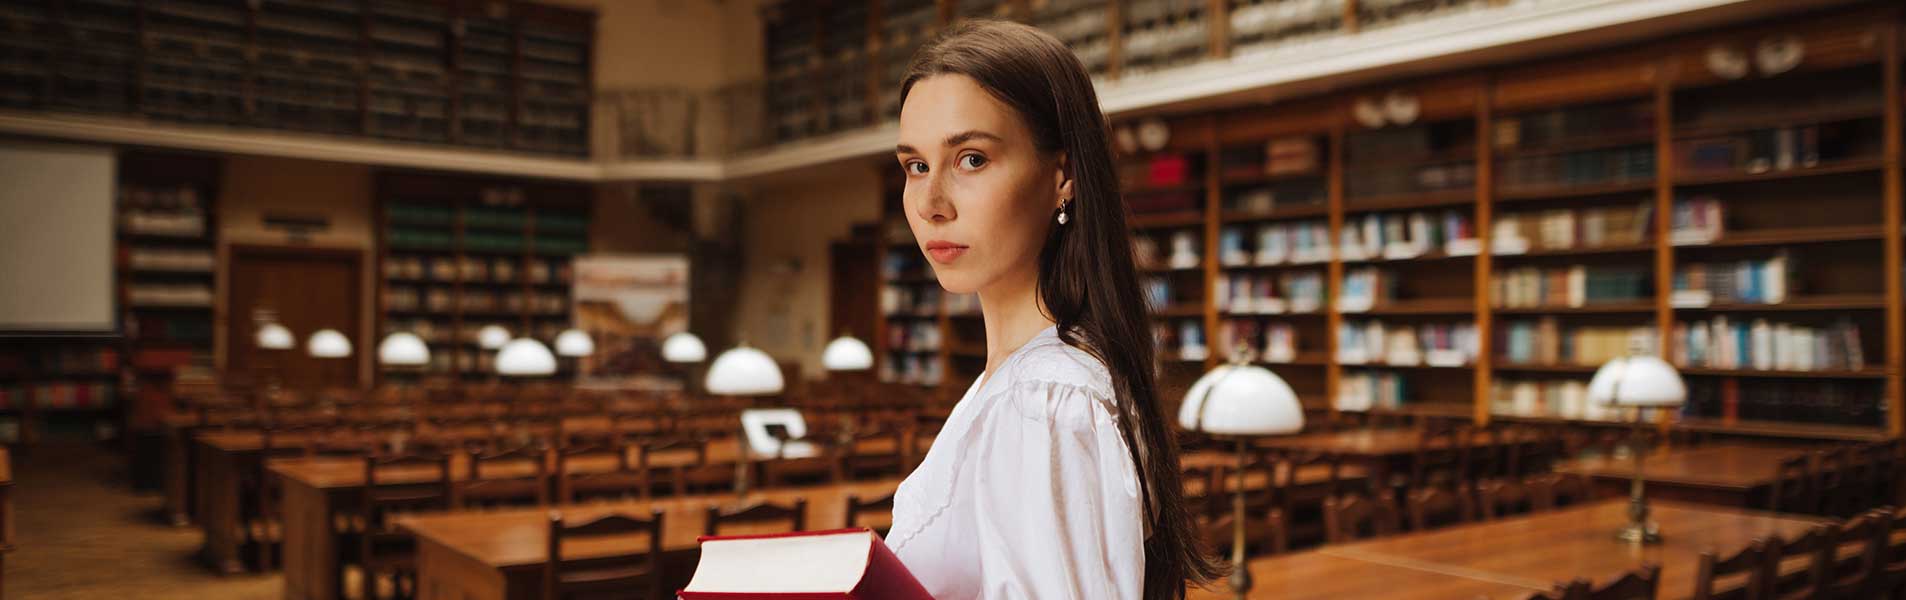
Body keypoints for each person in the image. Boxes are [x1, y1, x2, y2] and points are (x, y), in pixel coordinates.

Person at [885, 19, 1222, 600]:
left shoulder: (1041, 400)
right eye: (916, 166)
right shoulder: (1027, 380)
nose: (932, 204)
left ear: (1062, 174)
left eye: (971, 160)